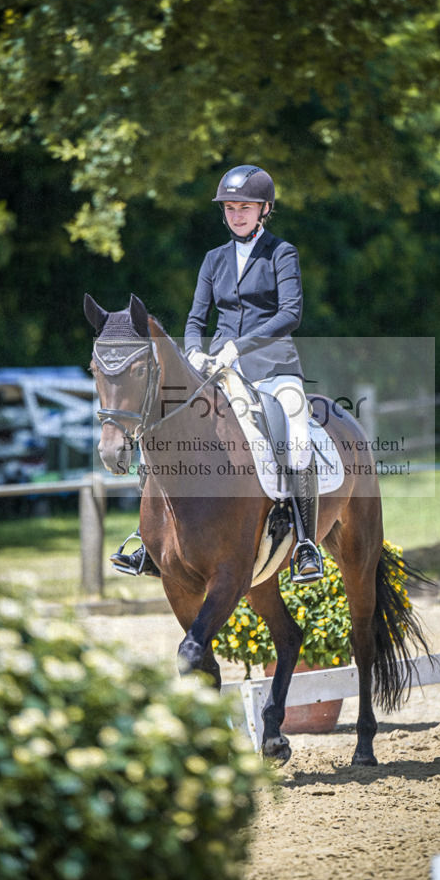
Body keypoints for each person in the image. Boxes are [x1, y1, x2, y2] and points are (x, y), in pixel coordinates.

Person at [112, 164, 324, 583]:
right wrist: (193, 350)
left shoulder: (282, 253)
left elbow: (290, 314)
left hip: (274, 368)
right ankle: (149, 540)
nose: (236, 215)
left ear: (264, 209)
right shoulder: (213, 260)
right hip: (218, 370)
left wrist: (238, 347)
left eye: (245, 207)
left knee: (297, 436)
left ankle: (304, 543)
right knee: (166, 428)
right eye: (229, 208)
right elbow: (196, 317)